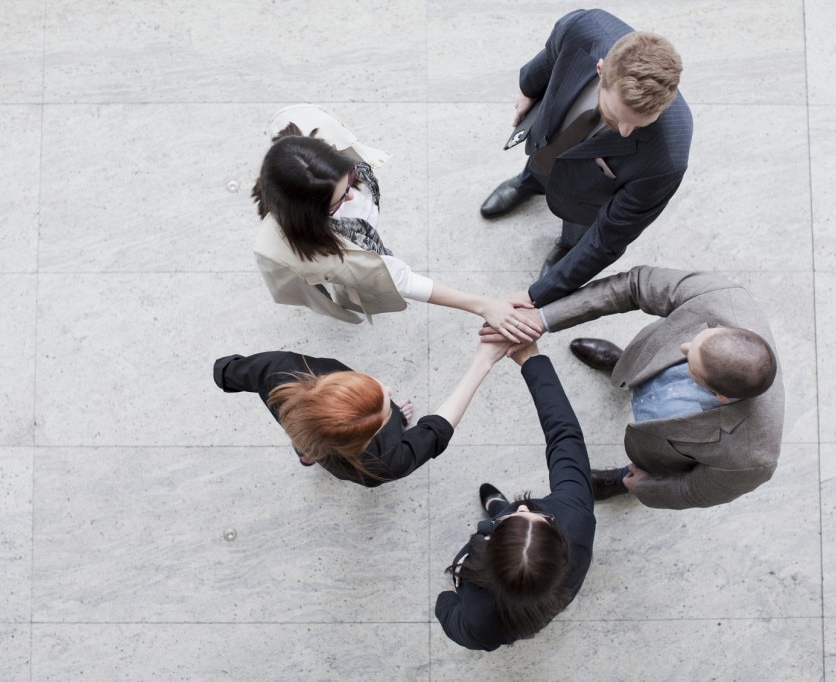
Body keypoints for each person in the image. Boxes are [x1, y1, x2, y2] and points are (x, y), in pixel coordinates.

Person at [481, 266, 784, 510]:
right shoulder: (722, 296)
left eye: (689, 360)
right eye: (698, 340)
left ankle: (618, 481)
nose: (683, 344)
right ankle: (620, 364)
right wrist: (543, 319)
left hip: (657, 445)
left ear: (719, 395)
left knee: (637, 473)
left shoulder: (752, 459)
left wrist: (642, 487)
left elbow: (695, 490)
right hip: (645, 361)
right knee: (637, 365)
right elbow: (634, 285)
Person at [252, 104, 540, 343]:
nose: (352, 194)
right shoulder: (320, 255)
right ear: (310, 212)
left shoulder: (313, 138)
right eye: (338, 201)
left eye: (350, 178)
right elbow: (399, 279)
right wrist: (483, 305)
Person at [479, 9, 693, 308]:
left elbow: (607, 239)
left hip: (587, 195)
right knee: (544, 159)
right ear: (601, 69)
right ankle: (529, 183)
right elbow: (552, 54)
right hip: (552, 135)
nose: (625, 130)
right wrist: (529, 90)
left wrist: (538, 294)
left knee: (580, 228)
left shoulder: (667, 159)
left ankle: (566, 245)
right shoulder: (584, 27)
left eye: (641, 122)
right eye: (618, 116)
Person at [435, 340, 595, 651]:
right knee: (504, 507)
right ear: (560, 546)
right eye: (533, 516)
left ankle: (496, 508)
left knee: (502, 509)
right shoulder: (575, 516)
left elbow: (447, 611)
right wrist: (531, 361)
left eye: (513, 516)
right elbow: (564, 435)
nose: (521, 506)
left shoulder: (479, 625)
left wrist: (447, 601)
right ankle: (496, 506)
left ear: (488, 559)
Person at [212, 340, 507, 487]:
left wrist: (227, 375)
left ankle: (306, 453)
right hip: (350, 453)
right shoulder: (382, 463)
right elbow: (436, 430)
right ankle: (310, 449)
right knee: (390, 420)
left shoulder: (281, 372)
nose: (388, 390)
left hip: (302, 427)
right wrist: (484, 361)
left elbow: (225, 370)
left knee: (305, 439)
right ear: (364, 442)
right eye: (384, 411)